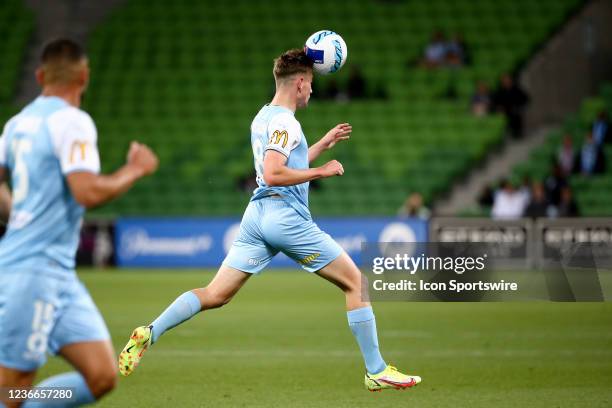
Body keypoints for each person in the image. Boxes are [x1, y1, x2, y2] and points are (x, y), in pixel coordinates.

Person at [118, 49, 422, 391]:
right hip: (285, 217)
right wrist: (321, 171)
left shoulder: (263, 117)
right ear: (301, 82)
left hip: (256, 216)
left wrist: (322, 143)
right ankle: (376, 369)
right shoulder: (286, 123)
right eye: (311, 85)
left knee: (215, 294)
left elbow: (277, 162)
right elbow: (276, 173)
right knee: (356, 283)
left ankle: (150, 331)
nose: (312, 91)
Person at [0, 38, 158, 407]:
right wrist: (134, 170)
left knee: (101, 375)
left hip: (58, 275)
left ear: (40, 76)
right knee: (12, 388)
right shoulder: (72, 121)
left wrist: (18, 212)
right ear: (84, 77)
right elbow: (86, 191)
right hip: (31, 273)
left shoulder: (18, 123)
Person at [492, 74, 529, 138]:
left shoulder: (516, 89)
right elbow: (495, 102)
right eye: (504, 80)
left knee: (515, 115)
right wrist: (498, 108)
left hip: (515, 109)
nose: (506, 82)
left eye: (507, 80)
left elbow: (525, 98)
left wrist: (520, 106)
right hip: (504, 110)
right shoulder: (500, 91)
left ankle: (517, 133)